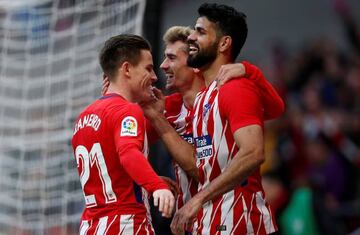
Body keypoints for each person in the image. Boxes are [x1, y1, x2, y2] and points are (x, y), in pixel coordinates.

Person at [144, 3, 284, 234]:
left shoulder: (235, 87)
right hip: (211, 220)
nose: (191, 37)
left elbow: (254, 152)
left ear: (224, 43)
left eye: (200, 32)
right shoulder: (203, 99)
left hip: (240, 220)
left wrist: (196, 200)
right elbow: (201, 167)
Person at [71, 34, 175, 235]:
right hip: (125, 224)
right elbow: (128, 153)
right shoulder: (127, 110)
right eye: (148, 68)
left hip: (91, 226)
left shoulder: (83, 118)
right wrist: (156, 186)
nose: (154, 77)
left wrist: (148, 179)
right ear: (127, 69)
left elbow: (112, 166)